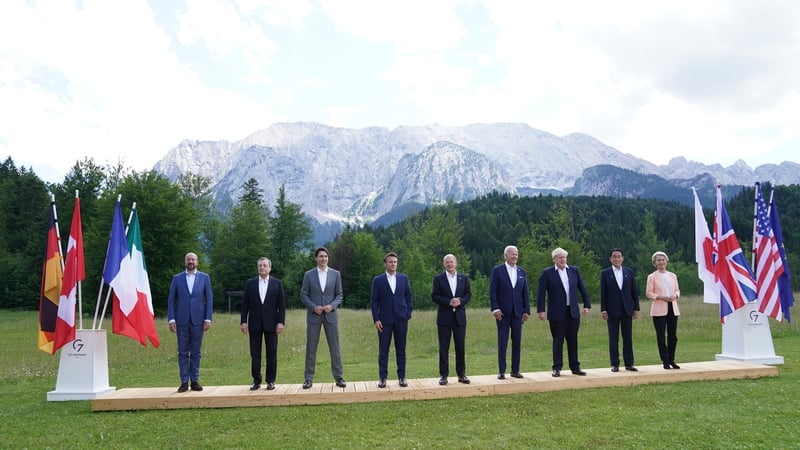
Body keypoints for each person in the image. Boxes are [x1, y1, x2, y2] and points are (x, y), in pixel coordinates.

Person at [536, 247, 591, 377]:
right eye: (560, 257)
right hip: (556, 313)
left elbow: (582, 289)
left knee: (573, 340)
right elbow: (541, 293)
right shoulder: (547, 273)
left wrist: (586, 305)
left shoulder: (574, 271)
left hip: (572, 312)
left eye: (564, 257)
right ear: (554, 259)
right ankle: (557, 367)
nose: (562, 259)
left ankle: (575, 367)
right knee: (558, 340)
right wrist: (541, 311)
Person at [300, 247, 346, 389]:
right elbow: (303, 295)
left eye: (325, 256)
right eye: (321, 256)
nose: (323, 259)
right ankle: (308, 378)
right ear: (316, 258)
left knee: (335, 348)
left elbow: (339, 295)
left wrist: (331, 306)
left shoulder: (335, 274)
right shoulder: (309, 275)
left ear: (328, 258)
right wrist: (313, 307)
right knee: (311, 348)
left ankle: (338, 377)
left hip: (330, 316)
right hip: (314, 316)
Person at [167, 252, 213, 393]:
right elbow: (171, 300)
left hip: (198, 321)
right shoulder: (177, 278)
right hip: (181, 320)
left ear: (197, 262)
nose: (191, 261)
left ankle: (194, 381)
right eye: (188, 259)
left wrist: (208, 318)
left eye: (193, 259)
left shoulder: (204, 278)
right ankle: (183, 382)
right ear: (185, 262)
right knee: (182, 352)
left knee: (195, 352)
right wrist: (171, 319)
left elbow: (209, 299)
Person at [240, 257, 286, 391]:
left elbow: (281, 306)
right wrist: (243, 322)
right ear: (257, 268)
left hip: (272, 324)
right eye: (260, 265)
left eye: (264, 265)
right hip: (254, 324)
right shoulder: (250, 283)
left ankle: (270, 381)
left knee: (271, 353)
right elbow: (245, 305)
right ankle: (256, 380)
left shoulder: (277, 284)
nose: (262, 268)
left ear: (269, 268)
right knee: (255, 353)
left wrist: (281, 322)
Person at [371, 252, 413, 388]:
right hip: (384, 320)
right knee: (384, 350)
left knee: (401, 350)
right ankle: (382, 378)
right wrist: (376, 319)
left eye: (395, 262)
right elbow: (374, 302)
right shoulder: (378, 280)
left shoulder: (403, 278)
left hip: (401, 319)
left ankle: (402, 377)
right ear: (385, 264)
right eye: (390, 262)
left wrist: (407, 313)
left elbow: (409, 297)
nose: (393, 264)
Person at [489, 245, 530, 379]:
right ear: (505, 256)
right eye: (512, 254)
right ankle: (502, 371)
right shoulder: (498, 270)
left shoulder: (521, 272)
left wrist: (526, 311)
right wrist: (495, 309)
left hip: (518, 312)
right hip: (502, 313)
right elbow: (492, 291)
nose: (515, 256)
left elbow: (525, 293)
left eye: (516, 254)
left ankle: (515, 370)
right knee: (503, 341)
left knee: (517, 341)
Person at [431, 254, 472, 385]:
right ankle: (444, 375)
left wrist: (460, 301)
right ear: (444, 264)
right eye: (447, 262)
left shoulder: (463, 278)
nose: (449, 264)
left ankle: (461, 374)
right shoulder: (438, 279)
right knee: (444, 348)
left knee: (460, 346)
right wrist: (449, 301)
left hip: (459, 318)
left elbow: (468, 294)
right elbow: (434, 296)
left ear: (456, 263)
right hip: (444, 318)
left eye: (451, 262)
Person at [599, 248, 640, 372]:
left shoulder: (629, 272)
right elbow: (603, 293)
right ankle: (615, 364)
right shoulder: (605, 273)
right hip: (612, 310)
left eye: (619, 256)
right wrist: (603, 310)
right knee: (613, 337)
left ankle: (629, 363)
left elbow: (634, 291)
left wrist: (636, 308)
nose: (617, 259)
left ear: (622, 258)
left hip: (627, 309)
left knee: (627, 337)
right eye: (614, 257)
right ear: (610, 259)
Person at [646, 251, 681, 370]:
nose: (661, 262)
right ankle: (665, 360)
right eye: (658, 260)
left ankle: (672, 359)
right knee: (661, 336)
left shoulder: (672, 275)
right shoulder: (652, 277)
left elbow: (677, 290)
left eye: (663, 260)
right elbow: (649, 293)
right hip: (659, 309)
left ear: (666, 261)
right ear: (654, 263)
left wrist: (675, 296)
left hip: (672, 307)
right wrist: (661, 297)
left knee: (673, 336)